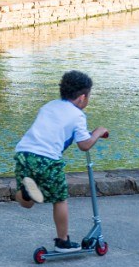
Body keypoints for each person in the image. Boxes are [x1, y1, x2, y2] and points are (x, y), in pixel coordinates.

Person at [12, 69, 110, 251]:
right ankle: (63, 241)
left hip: (24, 153)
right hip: (48, 158)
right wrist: (98, 132)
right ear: (82, 98)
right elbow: (84, 145)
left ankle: (25, 192)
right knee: (60, 199)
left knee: (27, 203)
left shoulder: (49, 106)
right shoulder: (78, 116)